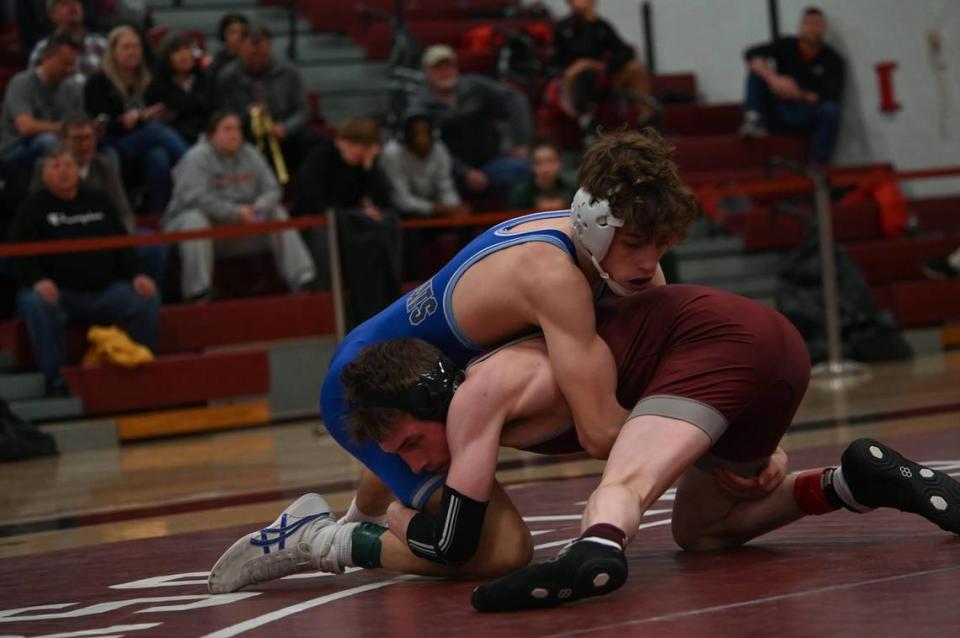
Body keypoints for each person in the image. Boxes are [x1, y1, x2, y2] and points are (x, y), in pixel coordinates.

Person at [208, 285, 960, 595]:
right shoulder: (486, 380)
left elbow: (454, 542)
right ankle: (850, 483)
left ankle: (599, 551)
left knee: (543, 527)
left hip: (709, 357)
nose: (419, 465)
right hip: (745, 354)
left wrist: (358, 537)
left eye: (412, 445)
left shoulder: (481, 391)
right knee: (705, 531)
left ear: (433, 398)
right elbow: (402, 456)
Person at [208, 129, 692, 591]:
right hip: (361, 390)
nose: (649, 263)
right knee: (499, 549)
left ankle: (360, 517)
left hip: (413, 376)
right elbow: (601, 432)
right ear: (595, 223)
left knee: (492, 402)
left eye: (660, 245)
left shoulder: (609, 251)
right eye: (634, 246)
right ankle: (326, 540)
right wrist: (714, 442)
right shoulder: (552, 276)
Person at [9, 144, 159, 396]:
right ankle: (55, 379)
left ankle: (136, 364)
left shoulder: (99, 201)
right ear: (44, 175)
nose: (64, 172)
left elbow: (122, 245)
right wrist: (37, 280)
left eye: (68, 165)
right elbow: (20, 254)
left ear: (78, 170)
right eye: (56, 167)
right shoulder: (32, 207)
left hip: (105, 290)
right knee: (36, 302)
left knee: (145, 298)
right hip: (60, 293)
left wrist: (137, 275)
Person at [163, 111, 316, 302]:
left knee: (276, 213)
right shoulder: (196, 157)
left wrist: (258, 208)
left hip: (242, 226)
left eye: (238, 129)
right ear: (212, 134)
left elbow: (272, 189)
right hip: (200, 230)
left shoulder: (250, 153)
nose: (234, 134)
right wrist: (236, 213)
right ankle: (198, 291)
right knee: (195, 219)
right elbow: (196, 198)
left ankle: (303, 279)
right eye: (227, 129)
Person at [295, 117, 400, 325]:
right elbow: (315, 202)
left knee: (385, 226)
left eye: (366, 147)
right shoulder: (320, 157)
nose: (360, 152)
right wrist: (356, 215)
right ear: (340, 141)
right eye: (356, 145)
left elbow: (384, 202)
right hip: (319, 224)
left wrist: (370, 169)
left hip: (348, 224)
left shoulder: (363, 164)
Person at [84, 25, 188, 212]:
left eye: (137, 46)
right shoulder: (98, 82)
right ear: (113, 51)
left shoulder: (149, 79)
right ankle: (194, 168)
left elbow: (172, 103)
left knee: (159, 157)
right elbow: (101, 124)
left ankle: (158, 216)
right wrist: (130, 120)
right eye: (127, 47)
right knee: (157, 132)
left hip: (144, 141)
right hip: (113, 142)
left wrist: (160, 113)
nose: (133, 52)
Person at [407, 44, 532, 198]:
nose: (445, 72)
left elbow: (515, 98)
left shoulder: (474, 85)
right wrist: (464, 171)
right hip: (448, 173)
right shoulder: (420, 105)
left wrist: (521, 141)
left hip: (491, 162)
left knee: (522, 169)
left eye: (449, 66)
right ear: (426, 73)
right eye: (438, 68)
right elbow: (425, 145)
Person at [738, 6, 845, 166]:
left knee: (830, 110)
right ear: (800, 27)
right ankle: (753, 120)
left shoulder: (833, 60)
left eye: (817, 24)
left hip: (804, 112)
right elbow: (751, 53)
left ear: (824, 28)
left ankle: (818, 166)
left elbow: (829, 97)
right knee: (757, 70)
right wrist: (773, 78)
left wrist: (796, 93)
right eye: (808, 24)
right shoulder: (786, 45)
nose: (812, 28)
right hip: (778, 109)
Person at [216, 25, 317, 178]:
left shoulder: (288, 72)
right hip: (245, 136)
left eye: (262, 55)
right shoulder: (228, 77)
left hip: (284, 133)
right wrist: (249, 115)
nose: (257, 59)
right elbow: (223, 113)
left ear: (269, 48)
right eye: (252, 54)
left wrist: (285, 128)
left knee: (317, 144)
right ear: (242, 49)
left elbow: (303, 110)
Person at [551, 0, 655, 136]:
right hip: (575, 78)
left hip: (602, 74)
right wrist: (577, 66)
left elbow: (625, 51)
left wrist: (604, 65)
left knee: (634, 68)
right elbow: (558, 60)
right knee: (581, 73)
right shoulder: (564, 27)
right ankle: (586, 118)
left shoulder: (601, 25)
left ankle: (646, 119)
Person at [0, 32, 82, 169]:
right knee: (49, 142)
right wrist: (66, 129)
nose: (70, 70)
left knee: (104, 150)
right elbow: (25, 127)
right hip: (16, 148)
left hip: (61, 143)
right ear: (47, 57)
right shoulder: (21, 83)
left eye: (72, 64)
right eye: (65, 64)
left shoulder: (73, 88)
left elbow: (77, 123)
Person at [380, 112, 468, 219]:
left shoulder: (439, 148)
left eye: (425, 133)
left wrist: (454, 207)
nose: (421, 139)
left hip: (435, 205)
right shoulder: (392, 153)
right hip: (402, 212)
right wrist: (439, 209)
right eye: (415, 134)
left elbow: (445, 186)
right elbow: (401, 198)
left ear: (433, 134)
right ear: (404, 135)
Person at [147, 32, 211, 145]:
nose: (184, 55)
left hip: (203, 135)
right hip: (172, 137)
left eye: (187, 49)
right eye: (177, 51)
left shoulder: (204, 78)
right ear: (166, 57)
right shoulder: (158, 84)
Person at [28, 0, 106, 84]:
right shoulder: (43, 48)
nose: (73, 7)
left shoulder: (100, 44)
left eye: (76, 2)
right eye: (65, 4)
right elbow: (32, 86)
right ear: (52, 14)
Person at [508, 140, 576, 211]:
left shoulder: (571, 191)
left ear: (560, 163)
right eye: (538, 163)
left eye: (550, 161)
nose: (545, 169)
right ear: (531, 166)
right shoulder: (520, 196)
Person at [205, 13, 249, 92]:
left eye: (242, 32)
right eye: (232, 32)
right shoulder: (215, 67)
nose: (238, 37)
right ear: (223, 35)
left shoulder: (254, 62)